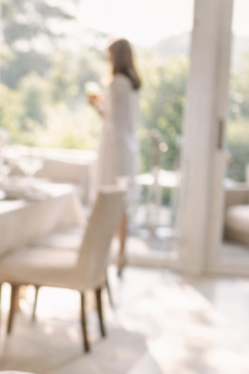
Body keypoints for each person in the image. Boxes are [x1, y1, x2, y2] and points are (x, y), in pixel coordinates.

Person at [88, 38, 141, 275]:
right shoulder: (132, 83)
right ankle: (120, 253)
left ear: (116, 56)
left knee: (110, 201)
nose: (107, 58)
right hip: (126, 147)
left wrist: (96, 105)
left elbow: (111, 121)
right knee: (121, 203)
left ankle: (105, 254)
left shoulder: (118, 82)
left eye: (109, 54)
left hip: (114, 149)